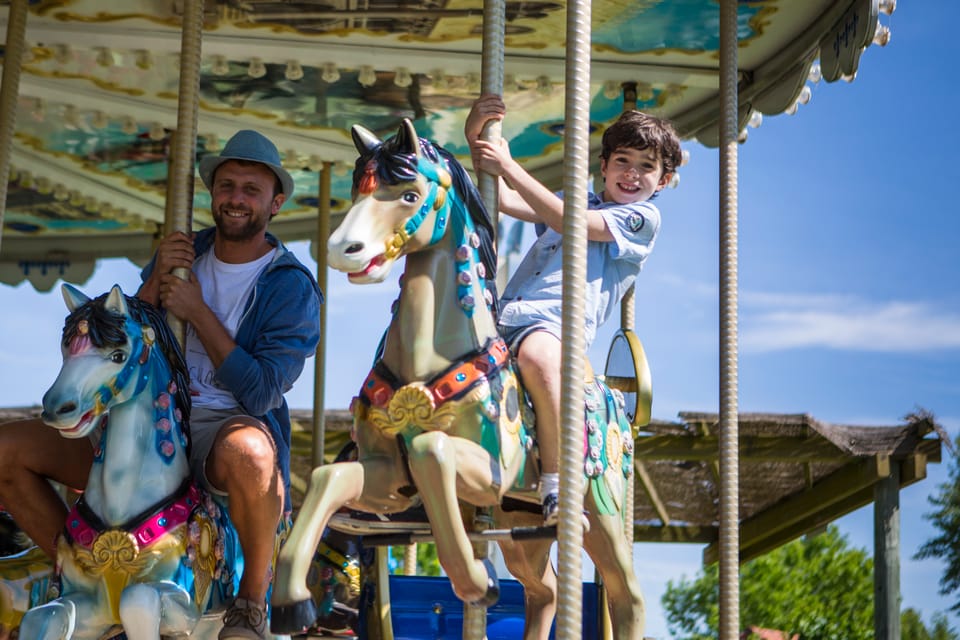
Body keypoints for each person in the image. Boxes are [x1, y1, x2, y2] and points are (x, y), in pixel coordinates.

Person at [0, 129, 322, 640]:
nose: (236, 198)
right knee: (7, 451)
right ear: (212, 192)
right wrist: (151, 285)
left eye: (251, 190)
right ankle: (83, 572)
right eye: (227, 185)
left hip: (221, 425)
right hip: (140, 419)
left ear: (275, 203)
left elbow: (262, 392)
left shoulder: (291, 287)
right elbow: (128, 338)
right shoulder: (183, 252)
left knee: (252, 453)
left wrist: (199, 313)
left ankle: (251, 602)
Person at [464, 95, 682, 525]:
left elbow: (571, 222)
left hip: (554, 327)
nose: (631, 173)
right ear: (603, 166)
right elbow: (502, 198)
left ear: (664, 180)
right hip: (504, 318)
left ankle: (558, 483)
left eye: (646, 166)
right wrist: (476, 138)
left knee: (538, 358)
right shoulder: (573, 200)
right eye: (622, 161)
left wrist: (509, 165)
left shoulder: (642, 219)